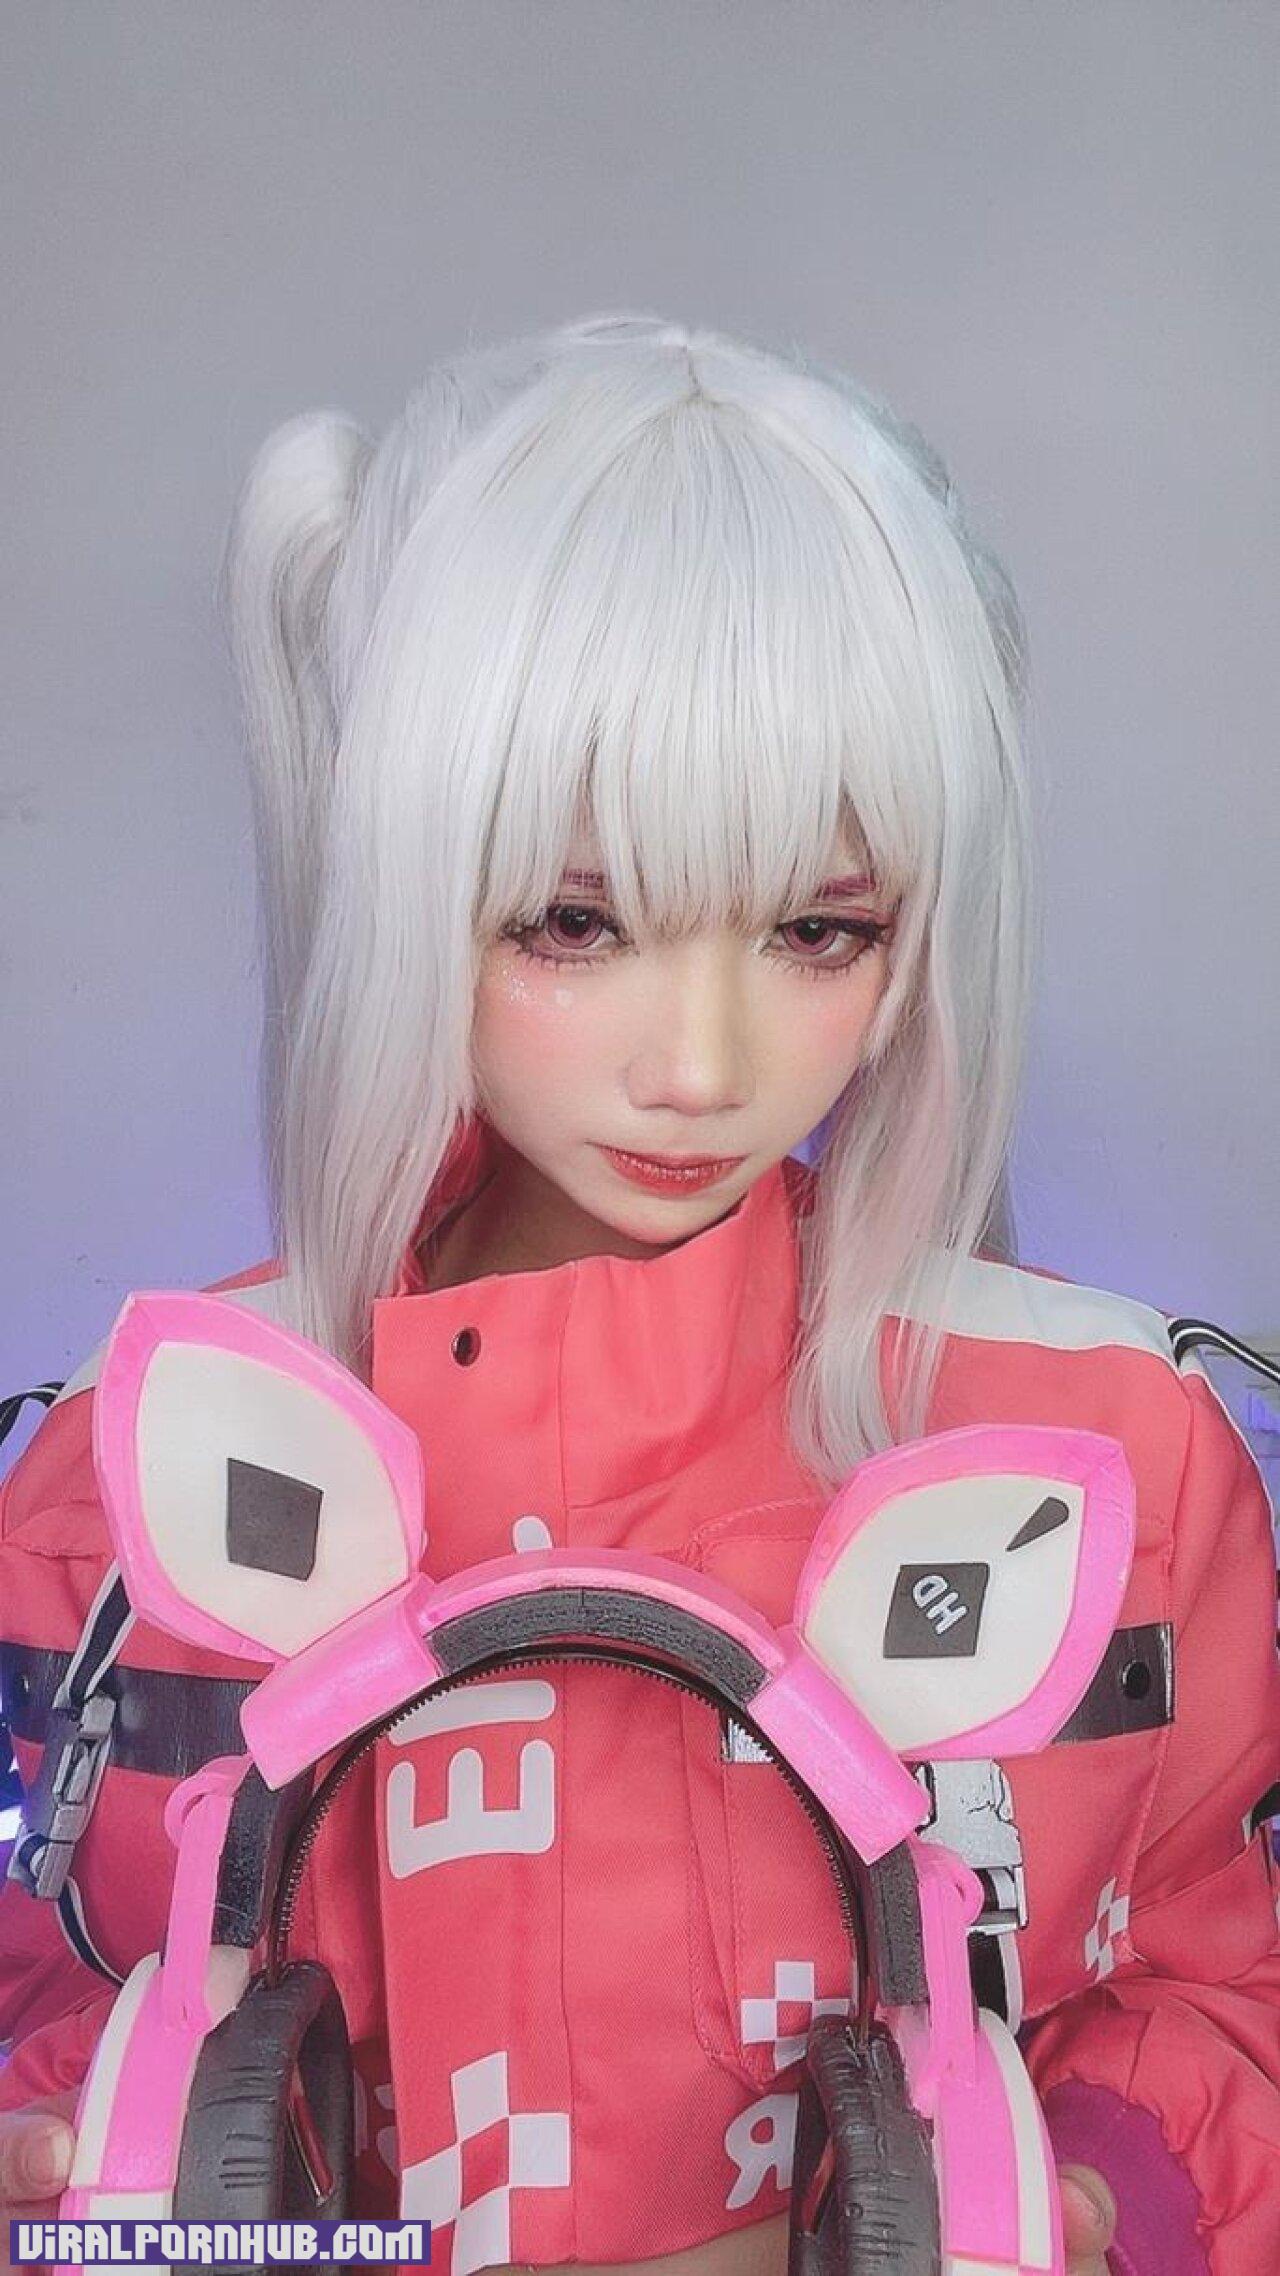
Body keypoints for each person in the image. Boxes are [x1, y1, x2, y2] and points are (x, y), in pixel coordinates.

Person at [1, 312, 1277, 2276]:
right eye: (575, 921)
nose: (702, 1065)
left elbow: (1215, 1974)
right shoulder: (145, 1466)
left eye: (818, 928)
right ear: (401, 874)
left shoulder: (1103, 1458)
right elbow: (57, 1976)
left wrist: (1112, 2189)